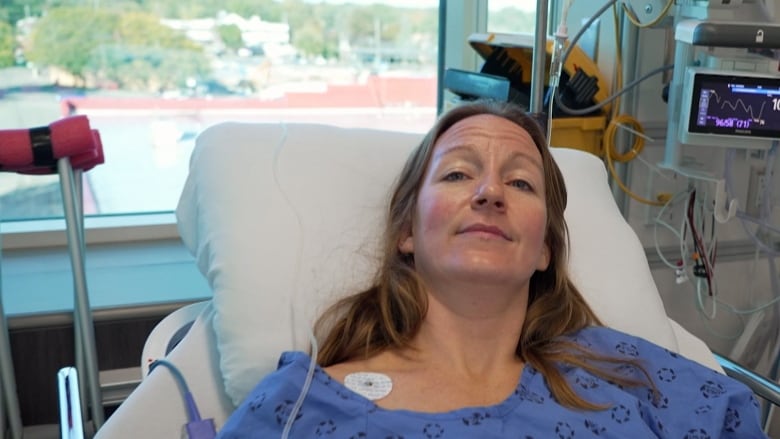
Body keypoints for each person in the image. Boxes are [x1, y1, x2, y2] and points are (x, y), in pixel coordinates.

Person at [217, 100, 767, 438]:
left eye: (521, 183)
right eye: (457, 174)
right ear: (408, 231)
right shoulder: (301, 404)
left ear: (544, 250)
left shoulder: (635, 380)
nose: (489, 193)